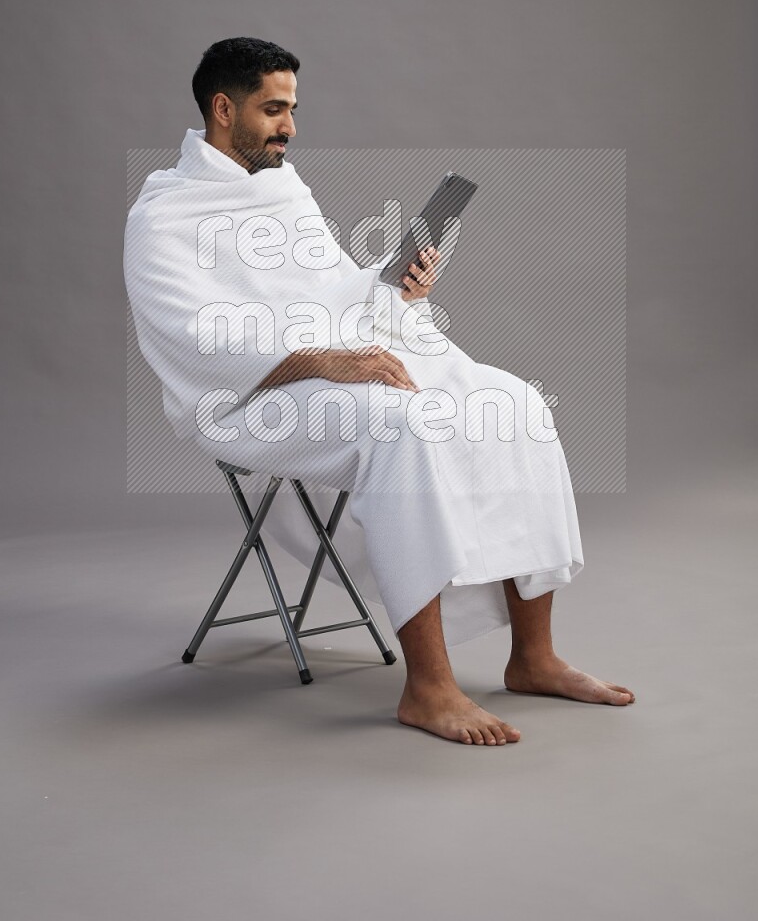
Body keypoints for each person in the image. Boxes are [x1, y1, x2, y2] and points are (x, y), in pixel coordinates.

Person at [124, 36, 635, 746]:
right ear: (222, 107)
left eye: (293, 109)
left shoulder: (282, 187)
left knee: (514, 404)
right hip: (245, 397)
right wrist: (325, 360)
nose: (290, 127)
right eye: (274, 110)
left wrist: (392, 286)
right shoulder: (163, 216)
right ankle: (428, 686)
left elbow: (330, 287)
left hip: (325, 368)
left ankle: (533, 656)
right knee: (403, 425)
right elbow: (194, 336)